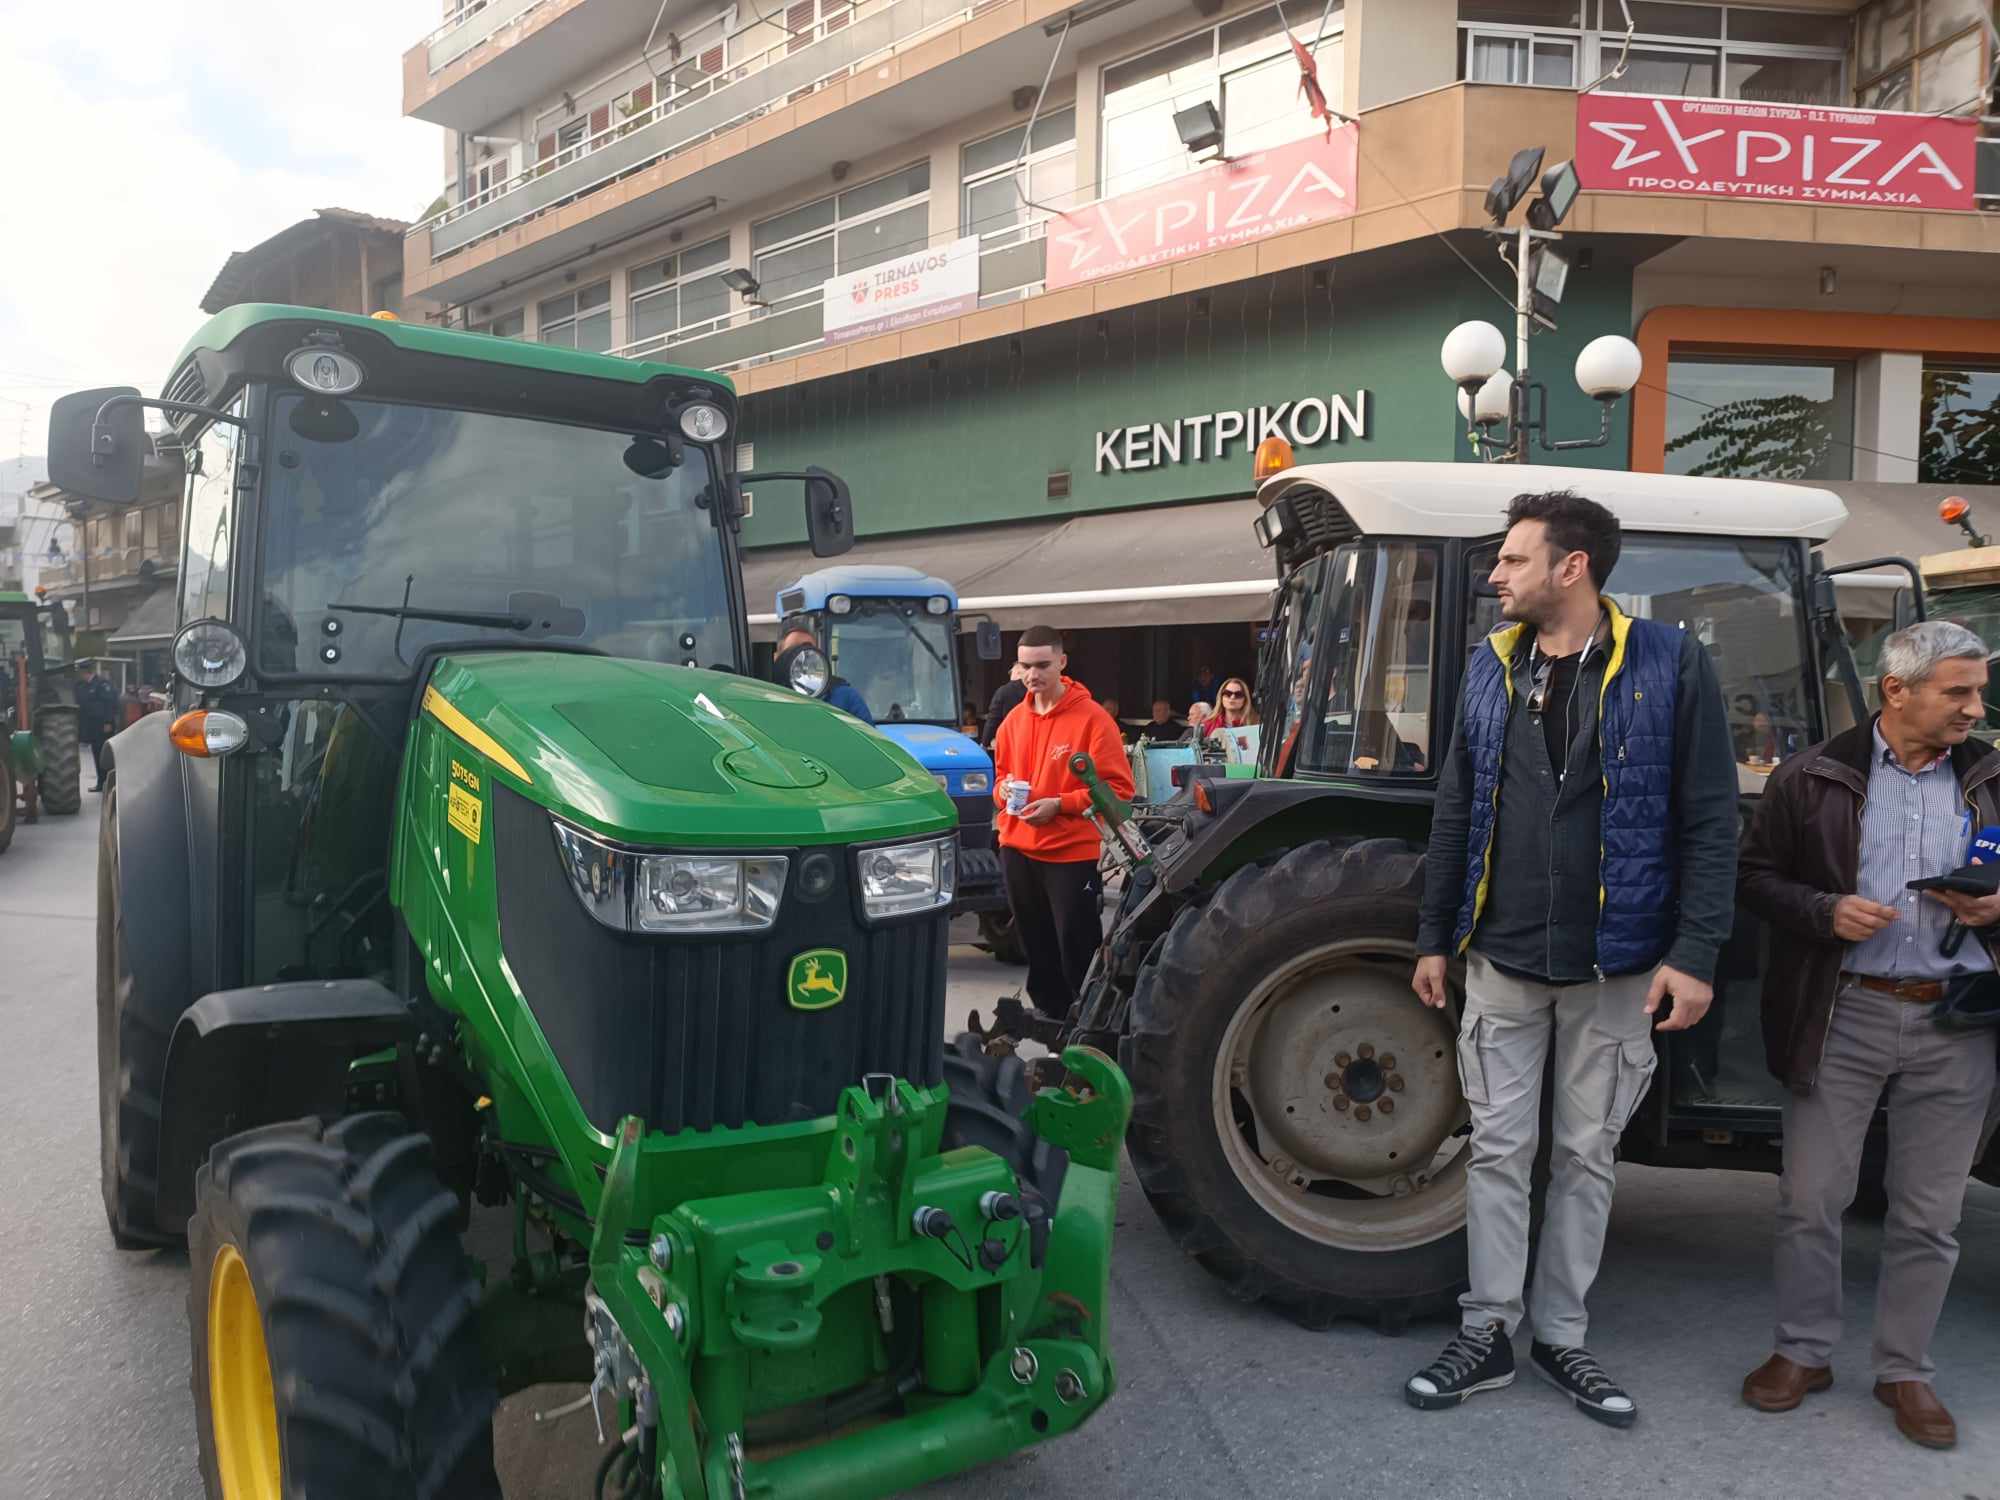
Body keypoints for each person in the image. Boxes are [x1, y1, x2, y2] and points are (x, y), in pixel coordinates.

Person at [1408, 489, 1737, 1426]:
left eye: (1513, 560)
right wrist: (1434, 935)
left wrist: (1696, 951)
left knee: (1587, 1158)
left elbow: (1710, 820)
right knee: (1500, 1154)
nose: (1496, 575)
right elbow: (1456, 811)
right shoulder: (1489, 667)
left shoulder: (1672, 663)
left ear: (1572, 567)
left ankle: (1562, 1336)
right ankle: (1489, 1333)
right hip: (1502, 962)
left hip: (1619, 967)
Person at [1737, 620, 2000, 1451]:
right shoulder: (1812, 776)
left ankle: (1903, 1370)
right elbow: (1753, 878)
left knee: (1929, 1215)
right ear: (1897, 691)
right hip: (1841, 1011)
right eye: (1957, 691)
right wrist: (1826, 911)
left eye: (1978, 690)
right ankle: (1803, 1352)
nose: (1975, 707)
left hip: (1957, 1018)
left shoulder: (1994, 775)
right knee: (1811, 1200)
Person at [989, 626, 1133, 1019]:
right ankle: (1053, 1025)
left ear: (1062, 663)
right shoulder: (1012, 721)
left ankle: (1092, 1024)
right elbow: (1000, 778)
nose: (1033, 674)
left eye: (1042, 665)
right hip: (1017, 848)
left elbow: (1119, 790)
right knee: (1035, 946)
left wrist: (1060, 804)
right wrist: (1003, 794)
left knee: (1077, 945)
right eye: (1025, 665)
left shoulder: (1092, 719)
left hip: (1070, 853)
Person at [774, 619, 873, 725]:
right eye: (794, 649)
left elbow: (871, 738)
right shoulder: (765, 698)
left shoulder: (845, 698)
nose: (802, 656)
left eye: (809, 649)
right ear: (777, 657)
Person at [75, 663, 120, 792]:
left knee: (105, 755)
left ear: (86, 672)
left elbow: (110, 704)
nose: (80, 675)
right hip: (92, 726)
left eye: (81, 672)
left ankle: (110, 782)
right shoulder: (84, 686)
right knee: (96, 754)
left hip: (103, 725)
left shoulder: (102, 684)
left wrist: (108, 722)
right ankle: (101, 782)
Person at [980, 662, 1027, 748]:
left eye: (1011, 672)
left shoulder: (1003, 691)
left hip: (1011, 743)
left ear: (1017, 672)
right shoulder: (1036, 690)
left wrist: (984, 742)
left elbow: (993, 720)